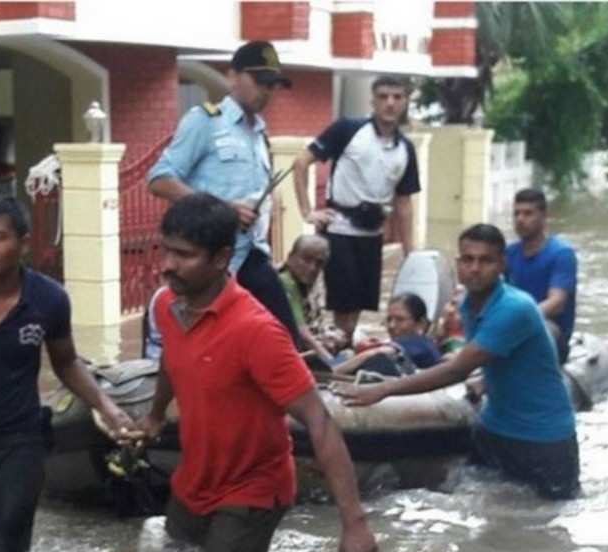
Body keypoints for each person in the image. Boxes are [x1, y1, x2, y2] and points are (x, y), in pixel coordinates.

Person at [98, 193, 379, 552]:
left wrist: (354, 524)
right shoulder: (165, 306)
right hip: (193, 483)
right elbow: (172, 362)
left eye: (183, 255)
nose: (166, 265)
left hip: (252, 492)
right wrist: (155, 416)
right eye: (165, 250)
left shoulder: (257, 332)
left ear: (221, 259)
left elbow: (319, 421)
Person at [0, 194, 137, 552]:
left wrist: (109, 409)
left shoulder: (49, 299)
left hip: (19, 443)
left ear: (24, 243)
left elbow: (65, 363)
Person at [333, 224, 580, 501]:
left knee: (549, 528)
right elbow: (500, 358)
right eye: (468, 259)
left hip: (543, 439)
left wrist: (384, 389)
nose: (475, 268)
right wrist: (484, 380)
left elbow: (457, 368)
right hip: (494, 430)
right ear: (458, 264)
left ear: (501, 265)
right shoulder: (468, 304)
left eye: (485, 260)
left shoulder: (515, 307)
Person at [147, 39, 301, 346]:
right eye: (260, 81)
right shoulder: (205, 121)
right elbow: (159, 179)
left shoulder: (259, 133)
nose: (267, 91)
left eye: (273, 85)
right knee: (202, 343)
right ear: (232, 76)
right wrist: (223, 209)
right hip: (210, 263)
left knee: (282, 341)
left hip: (251, 255)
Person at [292, 75, 421, 342]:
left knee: (360, 305)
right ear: (372, 100)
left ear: (405, 102)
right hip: (339, 229)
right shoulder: (348, 130)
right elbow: (302, 162)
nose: (390, 103)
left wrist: (410, 252)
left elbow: (404, 203)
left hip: (373, 234)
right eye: (383, 96)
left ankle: (345, 351)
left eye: (397, 97)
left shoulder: (405, 148)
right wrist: (308, 211)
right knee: (343, 305)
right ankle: (342, 354)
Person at [505, 188, 577, 364]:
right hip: (514, 328)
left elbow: (556, 303)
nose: (520, 219)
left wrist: (518, 320)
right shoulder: (508, 253)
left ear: (544, 216)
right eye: (516, 214)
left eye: (528, 213)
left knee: (542, 329)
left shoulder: (561, 254)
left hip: (550, 331)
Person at [333, 292, 441, 376]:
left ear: (420, 323)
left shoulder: (418, 344)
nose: (392, 325)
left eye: (400, 319)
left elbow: (379, 352)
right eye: (389, 319)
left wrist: (335, 371)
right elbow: (332, 363)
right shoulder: (424, 343)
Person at [277, 234, 345, 364]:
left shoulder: (313, 282)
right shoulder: (285, 281)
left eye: (319, 263)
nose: (312, 268)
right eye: (306, 260)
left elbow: (318, 319)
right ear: (290, 257)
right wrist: (331, 362)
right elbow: (302, 332)